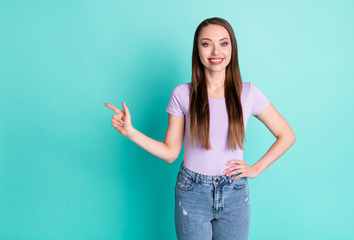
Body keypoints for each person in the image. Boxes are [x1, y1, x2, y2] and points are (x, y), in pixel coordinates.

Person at [105, 17, 295, 240]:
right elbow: (170, 153)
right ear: (197, 50)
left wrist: (256, 169)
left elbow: (286, 135)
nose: (216, 51)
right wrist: (130, 131)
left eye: (224, 43)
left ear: (232, 48)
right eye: (207, 44)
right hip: (192, 192)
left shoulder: (249, 93)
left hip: (234, 192)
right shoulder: (182, 94)